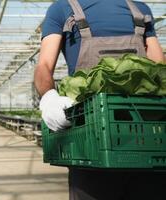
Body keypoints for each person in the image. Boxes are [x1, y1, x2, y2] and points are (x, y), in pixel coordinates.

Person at [34, 0, 166, 199]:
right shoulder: (62, 8)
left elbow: (159, 69)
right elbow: (43, 65)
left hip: (146, 138)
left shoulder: (140, 10)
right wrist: (49, 97)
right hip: (90, 141)